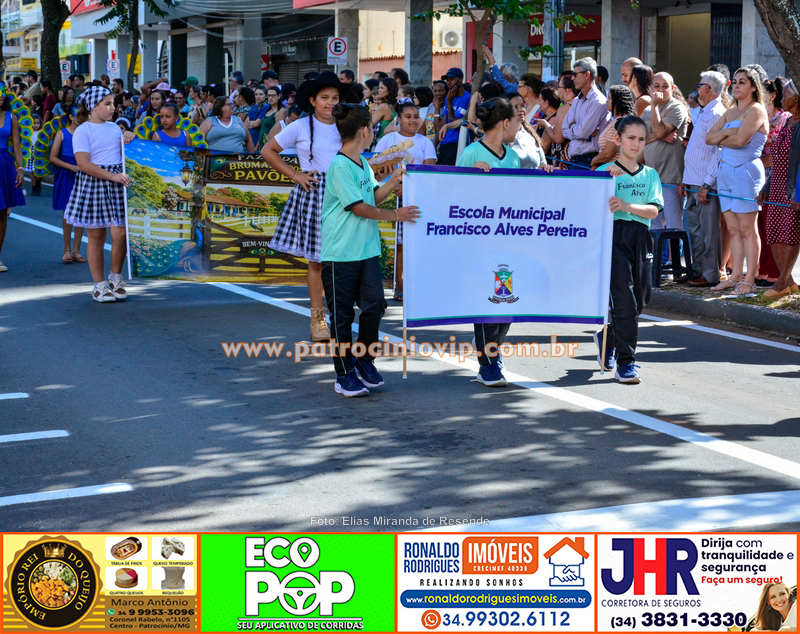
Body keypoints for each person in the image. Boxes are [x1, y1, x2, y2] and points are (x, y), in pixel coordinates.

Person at [319, 103, 418, 397]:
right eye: (372, 127)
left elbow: (372, 195)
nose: (373, 131)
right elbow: (360, 208)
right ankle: (344, 373)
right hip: (340, 252)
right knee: (342, 316)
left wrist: (394, 181)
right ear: (364, 130)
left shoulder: (361, 162)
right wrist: (396, 216)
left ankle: (364, 359)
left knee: (376, 304)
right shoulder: (339, 165)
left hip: (365, 250)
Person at [261, 71, 350, 340]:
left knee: (344, 259)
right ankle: (318, 320)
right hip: (313, 193)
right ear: (312, 100)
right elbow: (268, 150)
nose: (330, 102)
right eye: (324, 97)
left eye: (334, 97)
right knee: (317, 262)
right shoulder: (300, 126)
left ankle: (342, 315)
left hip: (344, 193)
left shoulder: (346, 124)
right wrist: (296, 174)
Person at [457, 97, 521, 387]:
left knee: (508, 299)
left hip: (508, 240)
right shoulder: (471, 153)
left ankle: (493, 347)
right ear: (506, 123)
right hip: (480, 241)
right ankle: (487, 363)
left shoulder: (514, 157)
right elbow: (454, 196)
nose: (520, 127)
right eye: (518, 122)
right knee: (487, 299)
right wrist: (472, 176)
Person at [598, 116, 663, 383]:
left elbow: (653, 209)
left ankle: (608, 337)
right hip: (614, 237)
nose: (636, 144)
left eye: (641, 139)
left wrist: (626, 205)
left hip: (641, 237)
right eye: (630, 138)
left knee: (640, 300)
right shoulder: (604, 172)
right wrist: (608, 183)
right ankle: (626, 363)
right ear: (618, 140)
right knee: (625, 299)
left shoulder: (650, 174)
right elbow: (585, 204)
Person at [63, 86, 133, 302]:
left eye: (113, 103)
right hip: (95, 183)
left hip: (116, 183)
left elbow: (124, 153)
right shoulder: (83, 130)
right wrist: (112, 176)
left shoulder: (114, 128)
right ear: (94, 106)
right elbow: (83, 164)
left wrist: (129, 136)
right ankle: (98, 284)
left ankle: (115, 277)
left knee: (120, 233)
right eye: (108, 104)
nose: (113, 107)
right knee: (96, 235)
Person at [705, 67, 769, 295]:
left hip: (746, 171)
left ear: (753, 86)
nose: (737, 86)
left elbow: (742, 140)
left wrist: (723, 136)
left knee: (747, 228)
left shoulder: (757, 110)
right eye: (736, 82)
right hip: (725, 172)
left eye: (743, 82)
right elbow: (708, 138)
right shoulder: (730, 112)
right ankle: (735, 277)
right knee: (732, 228)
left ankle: (750, 278)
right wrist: (726, 135)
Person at [374, 99, 436, 301]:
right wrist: (394, 186)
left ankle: (417, 285)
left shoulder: (425, 142)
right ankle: (399, 286)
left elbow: (429, 172)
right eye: (408, 117)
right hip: (391, 198)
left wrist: (408, 186)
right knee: (398, 244)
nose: (413, 121)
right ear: (398, 119)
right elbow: (376, 171)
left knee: (415, 243)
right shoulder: (387, 140)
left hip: (416, 199)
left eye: (416, 117)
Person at [678, 70, 727, 287]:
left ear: (707, 88)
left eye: (699, 85)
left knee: (708, 233)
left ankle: (709, 274)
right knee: (696, 232)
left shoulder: (717, 112)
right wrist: (686, 179)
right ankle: (696, 270)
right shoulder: (706, 110)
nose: (697, 89)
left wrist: (707, 184)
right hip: (694, 182)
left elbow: (718, 152)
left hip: (705, 184)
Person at [761, 79, 800, 299]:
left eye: (786, 95)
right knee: (774, 232)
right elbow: (777, 159)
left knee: (790, 234)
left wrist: (798, 193)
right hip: (775, 186)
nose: (782, 99)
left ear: (797, 97)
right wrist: (767, 185)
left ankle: (782, 281)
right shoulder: (787, 122)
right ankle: (789, 282)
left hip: (792, 189)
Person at [643, 72, 689, 236]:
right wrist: (658, 136)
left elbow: (659, 130)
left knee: (673, 225)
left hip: (671, 178)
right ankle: (655, 261)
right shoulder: (647, 110)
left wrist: (658, 132)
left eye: (665, 86)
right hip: (652, 178)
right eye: (657, 86)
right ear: (651, 88)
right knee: (654, 224)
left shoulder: (676, 107)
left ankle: (673, 260)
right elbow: (642, 138)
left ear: (673, 88)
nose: (661, 90)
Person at [757, 77, 791, 285]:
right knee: (760, 227)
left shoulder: (783, 118)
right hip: (757, 174)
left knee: (773, 227)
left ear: (772, 95)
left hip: (773, 176)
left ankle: (775, 272)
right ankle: (762, 269)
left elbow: (777, 153)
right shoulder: (762, 115)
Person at [50, 106, 84, 264]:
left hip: (83, 173)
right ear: (71, 116)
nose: (82, 117)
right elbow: (53, 157)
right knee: (67, 211)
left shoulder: (86, 134)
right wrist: (70, 167)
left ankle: (77, 250)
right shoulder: (62, 134)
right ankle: (67, 249)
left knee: (81, 212)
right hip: (66, 173)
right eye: (79, 114)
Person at [561, 57, 610, 169]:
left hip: (589, 160)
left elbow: (583, 132)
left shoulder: (598, 102)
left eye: (575, 74)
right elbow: (564, 130)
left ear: (587, 75)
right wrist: (579, 129)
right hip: (574, 160)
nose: (572, 78)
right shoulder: (578, 99)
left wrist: (573, 127)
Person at [0, 85, 27, 273]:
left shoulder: (12, 118)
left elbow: (17, 146)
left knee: (1, 213)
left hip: (4, 164)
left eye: (2, 95)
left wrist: (20, 169)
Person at [592, 84, 636, 168]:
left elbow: (608, 154)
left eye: (609, 98)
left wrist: (593, 161)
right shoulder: (616, 121)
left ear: (617, 101)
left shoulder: (622, 123)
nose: (606, 101)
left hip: (616, 174)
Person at [438, 68, 470, 165]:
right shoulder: (449, 97)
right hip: (444, 142)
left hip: (456, 142)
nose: (448, 82)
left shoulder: (466, 98)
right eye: (447, 80)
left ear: (460, 79)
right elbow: (444, 120)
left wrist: (449, 102)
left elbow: (453, 121)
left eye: (451, 79)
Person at [508, 92, 546, 168]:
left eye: (522, 106)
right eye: (515, 107)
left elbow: (542, 163)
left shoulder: (530, 134)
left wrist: (546, 168)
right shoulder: (501, 136)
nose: (520, 109)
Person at [534, 85, 561, 159]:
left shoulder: (554, 119)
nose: (538, 103)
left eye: (540, 100)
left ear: (546, 103)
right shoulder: (545, 117)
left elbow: (544, 147)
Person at [370, 77, 397, 149]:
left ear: (389, 90)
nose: (379, 90)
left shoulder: (384, 107)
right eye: (379, 88)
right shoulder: (396, 105)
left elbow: (370, 123)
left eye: (382, 88)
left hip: (381, 142)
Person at [25, 115, 42, 195]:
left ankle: (38, 183)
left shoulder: (41, 132)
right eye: (34, 123)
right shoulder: (28, 132)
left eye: (38, 123)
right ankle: (34, 187)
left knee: (39, 171)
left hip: (39, 152)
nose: (36, 125)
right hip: (31, 152)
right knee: (32, 171)